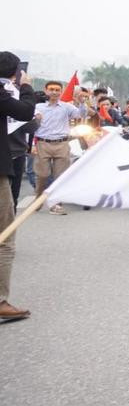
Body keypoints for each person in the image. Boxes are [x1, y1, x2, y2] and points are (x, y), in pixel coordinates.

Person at [0, 52, 35, 321]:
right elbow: (25, 111)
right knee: (5, 236)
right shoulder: (4, 92)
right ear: (15, 72)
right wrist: (26, 86)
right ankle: (0, 300)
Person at [32, 79, 88, 215]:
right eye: (51, 89)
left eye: (57, 90)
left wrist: (82, 103)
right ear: (46, 90)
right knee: (42, 175)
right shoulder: (38, 107)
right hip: (42, 144)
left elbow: (81, 114)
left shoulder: (66, 107)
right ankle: (38, 200)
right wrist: (32, 144)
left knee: (60, 177)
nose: (54, 92)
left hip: (62, 143)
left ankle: (56, 204)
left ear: (61, 92)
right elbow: (30, 125)